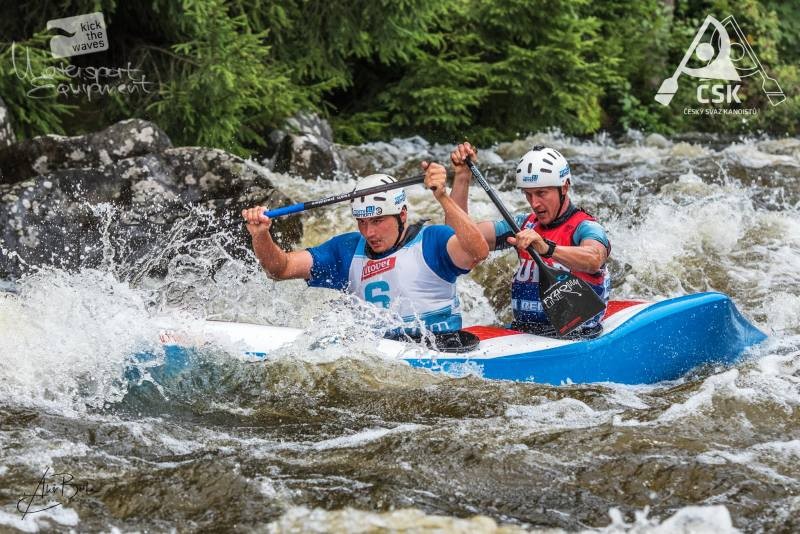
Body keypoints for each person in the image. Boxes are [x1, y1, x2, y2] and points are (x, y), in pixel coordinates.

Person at [241, 162, 489, 339]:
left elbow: (478, 251)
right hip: (378, 354)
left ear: (402, 215)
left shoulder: (432, 241)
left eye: (378, 221)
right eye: (362, 222)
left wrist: (443, 196)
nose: (369, 232)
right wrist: (261, 235)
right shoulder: (346, 250)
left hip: (442, 346)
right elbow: (280, 269)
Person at [450, 143, 611, 336]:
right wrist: (462, 177)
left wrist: (548, 248)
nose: (534, 203)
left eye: (541, 193)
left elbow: (594, 258)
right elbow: (456, 239)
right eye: (528, 194)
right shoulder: (522, 225)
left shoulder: (585, 227)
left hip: (577, 335)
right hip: (524, 334)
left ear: (564, 187)